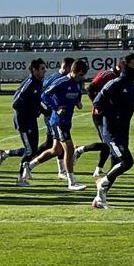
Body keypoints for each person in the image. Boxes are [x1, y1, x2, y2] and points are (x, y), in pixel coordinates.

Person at [91, 53, 134, 208]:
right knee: (127, 161)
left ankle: (99, 199)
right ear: (125, 67)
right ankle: (102, 182)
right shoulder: (114, 83)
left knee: (116, 165)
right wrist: (110, 114)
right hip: (111, 132)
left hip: (124, 132)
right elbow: (98, 102)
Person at [26, 59, 89, 191]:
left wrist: (77, 102)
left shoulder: (78, 83)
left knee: (56, 150)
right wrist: (56, 107)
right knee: (69, 149)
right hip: (58, 121)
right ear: (72, 71)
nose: (82, 77)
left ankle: (29, 166)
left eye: (83, 75)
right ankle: (71, 182)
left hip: (67, 120)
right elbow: (44, 95)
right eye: (80, 75)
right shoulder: (61, 82)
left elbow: (75, 95)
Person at [0, 58, 48, 186]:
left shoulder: (39, 83)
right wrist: (31, 110)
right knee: (29, 150)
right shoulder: (29, 83)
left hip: (31, 119)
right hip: (23, 121)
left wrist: (47, 112)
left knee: (33, 150)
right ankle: (20, 178)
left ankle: (5, 154)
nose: (44, 71)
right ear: (34, 70)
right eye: (42, 69)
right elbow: (16, 103)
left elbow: (36, 102)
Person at [73, 59, 120, 178]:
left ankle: (98, 170)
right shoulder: (107, 75)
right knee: (107, 144)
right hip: (99, 114)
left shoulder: (120, 78)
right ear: (120, 67)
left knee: (108, 144)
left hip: (110, 114)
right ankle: (79, 150)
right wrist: (97, 104)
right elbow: (90, 88)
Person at [34, 57, 74, 180]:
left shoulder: (61, 78)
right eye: (72, 67)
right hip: (53, 115)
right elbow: (42, 95)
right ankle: (25, 158)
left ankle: (61, 170)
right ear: (67, 67)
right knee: (53, 145)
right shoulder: (57, 79)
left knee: (55, 146)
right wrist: (51, 108)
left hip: (59, 115)